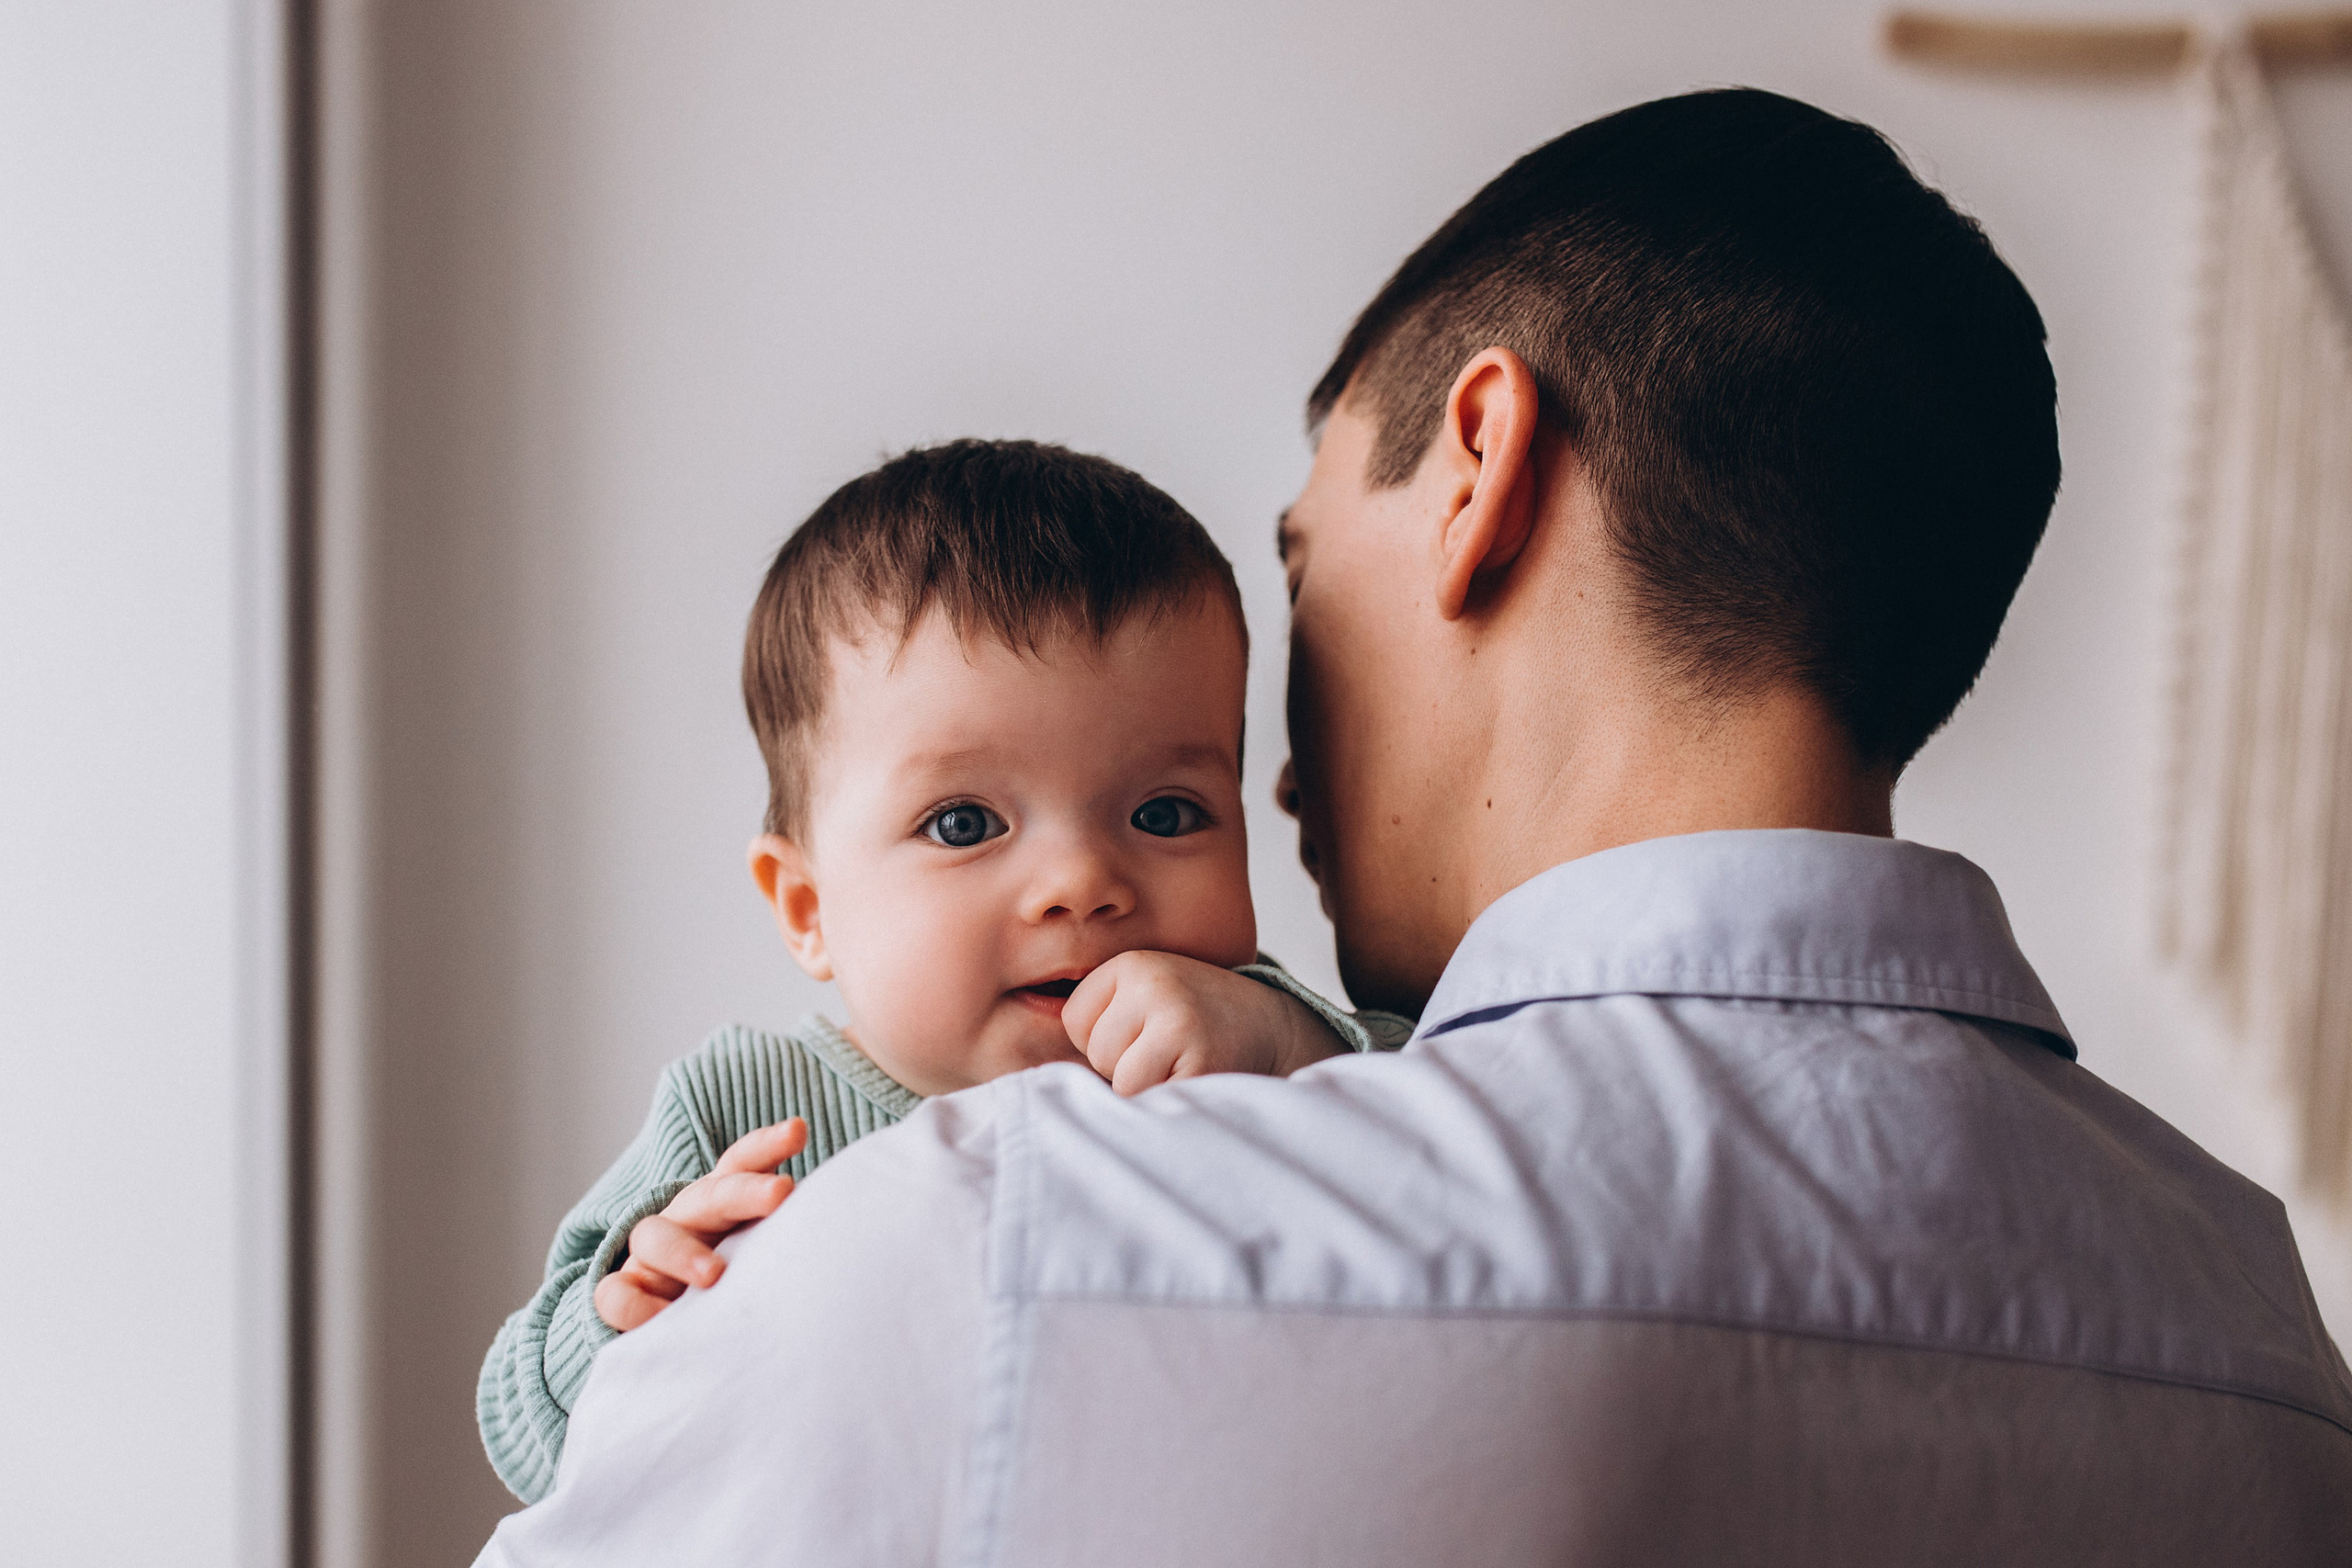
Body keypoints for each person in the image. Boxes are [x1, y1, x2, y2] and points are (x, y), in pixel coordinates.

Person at [476, 88, 2352, 1565]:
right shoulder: (2260, 1328)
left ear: (1479, 469)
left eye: (1301, 577)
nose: (1274, 775)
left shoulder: (974, 1249)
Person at [474, 439, 1408, 1502]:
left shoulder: (1254, 1045)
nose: (1081, 882)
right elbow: (526, 1434)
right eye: (964, 822)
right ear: (808, 908)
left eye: (1165, 813)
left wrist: (1290, 1049)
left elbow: (1445, 1153)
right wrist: (622, 1311)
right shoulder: (739, 1115)